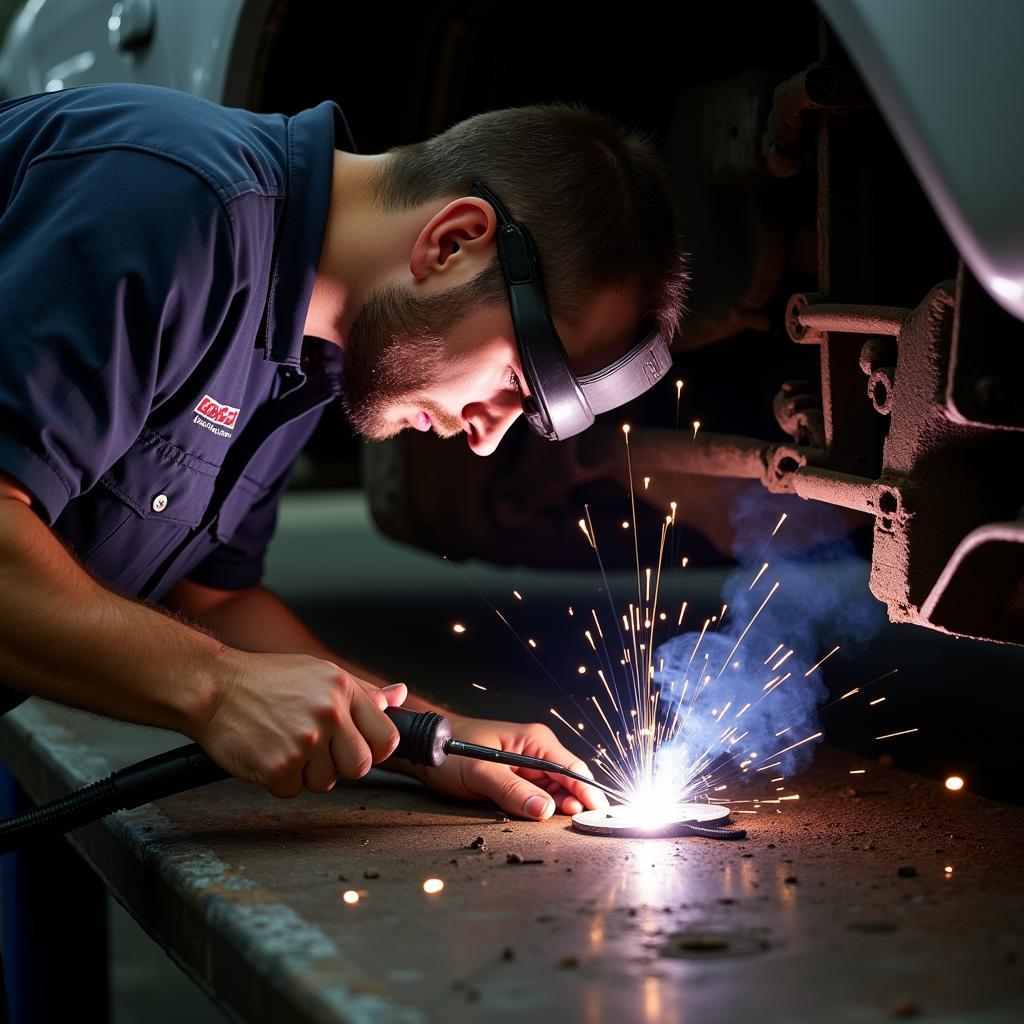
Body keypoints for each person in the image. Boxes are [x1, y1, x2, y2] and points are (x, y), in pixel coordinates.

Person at [0, 84, 687, 822]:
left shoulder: (315, 347)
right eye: (514, 382)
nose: (486, 438)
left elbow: (208, 598)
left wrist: (431, 741)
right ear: (453, 241)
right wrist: (216, 688)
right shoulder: (175, 202)